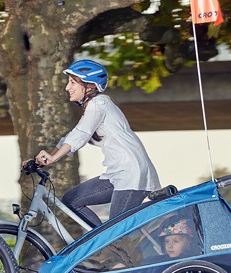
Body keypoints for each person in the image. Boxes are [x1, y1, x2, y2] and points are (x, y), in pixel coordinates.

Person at [28, 59, 160, 227]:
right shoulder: (94, 109)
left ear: (89, 85)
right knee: (72, 200)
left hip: (131, 173)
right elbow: (70, 137)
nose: (68, 87)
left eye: (72, 82)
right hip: (117, 174)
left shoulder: (99, 103)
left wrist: (53, 158)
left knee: (115, 235)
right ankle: (100, 246)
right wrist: (42, 160)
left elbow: (80, 134)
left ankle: (111, 249)